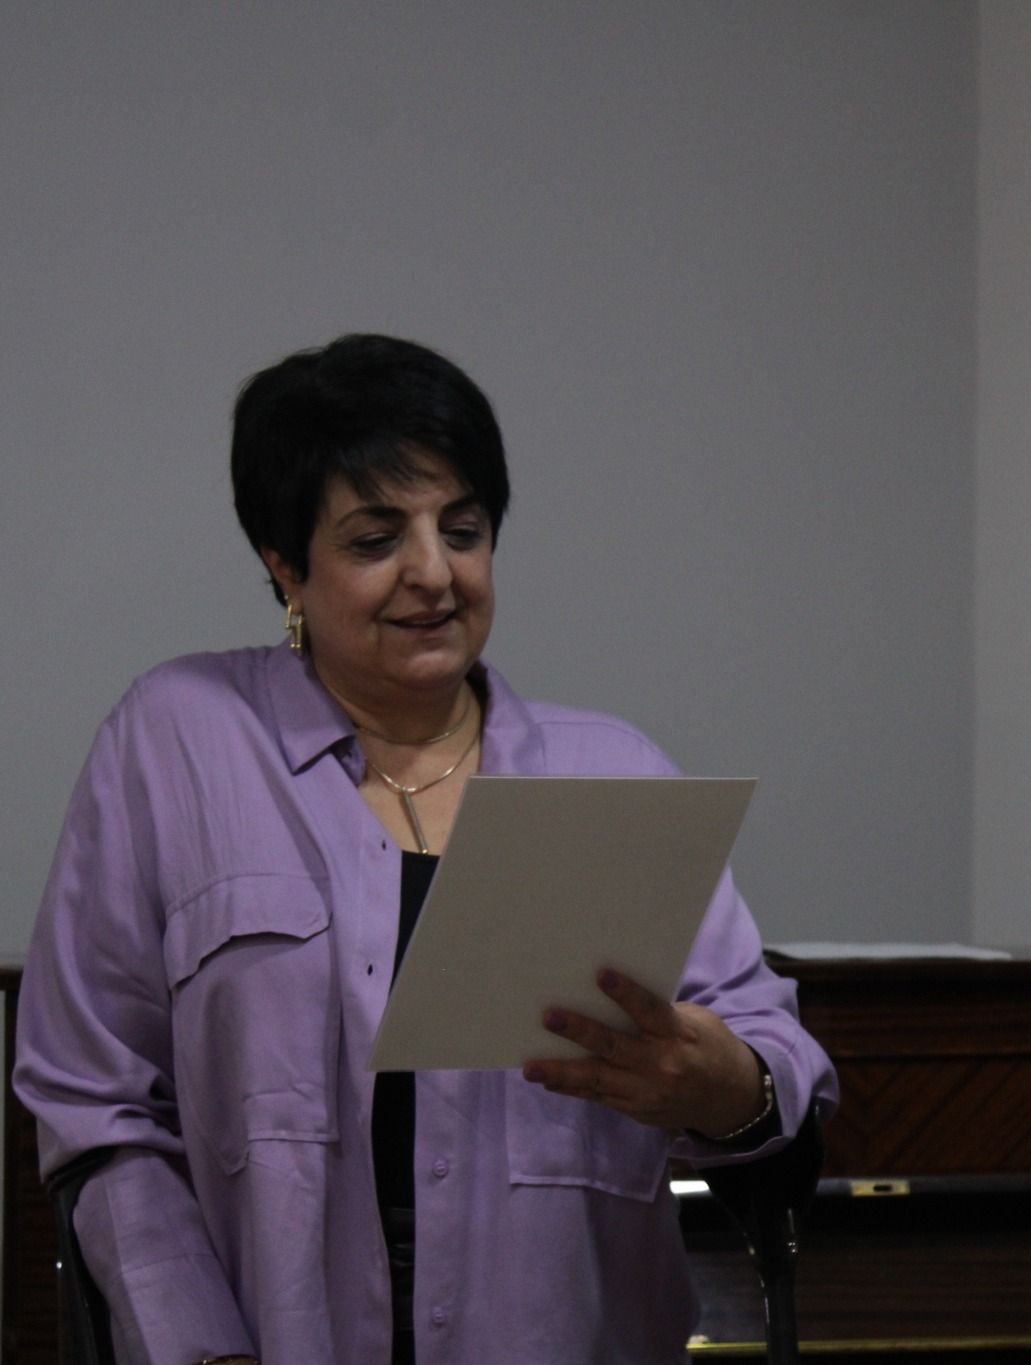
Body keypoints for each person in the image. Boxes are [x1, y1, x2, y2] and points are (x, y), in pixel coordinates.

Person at [12, 334, 837, 1365]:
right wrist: (197, 1348)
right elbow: (94, 1102)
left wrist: (727, 1085)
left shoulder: (612, 771)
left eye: (463, 530)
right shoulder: (175, 740)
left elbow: (773, 1061)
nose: (434, 574)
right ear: (284, 565)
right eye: (375, 539)